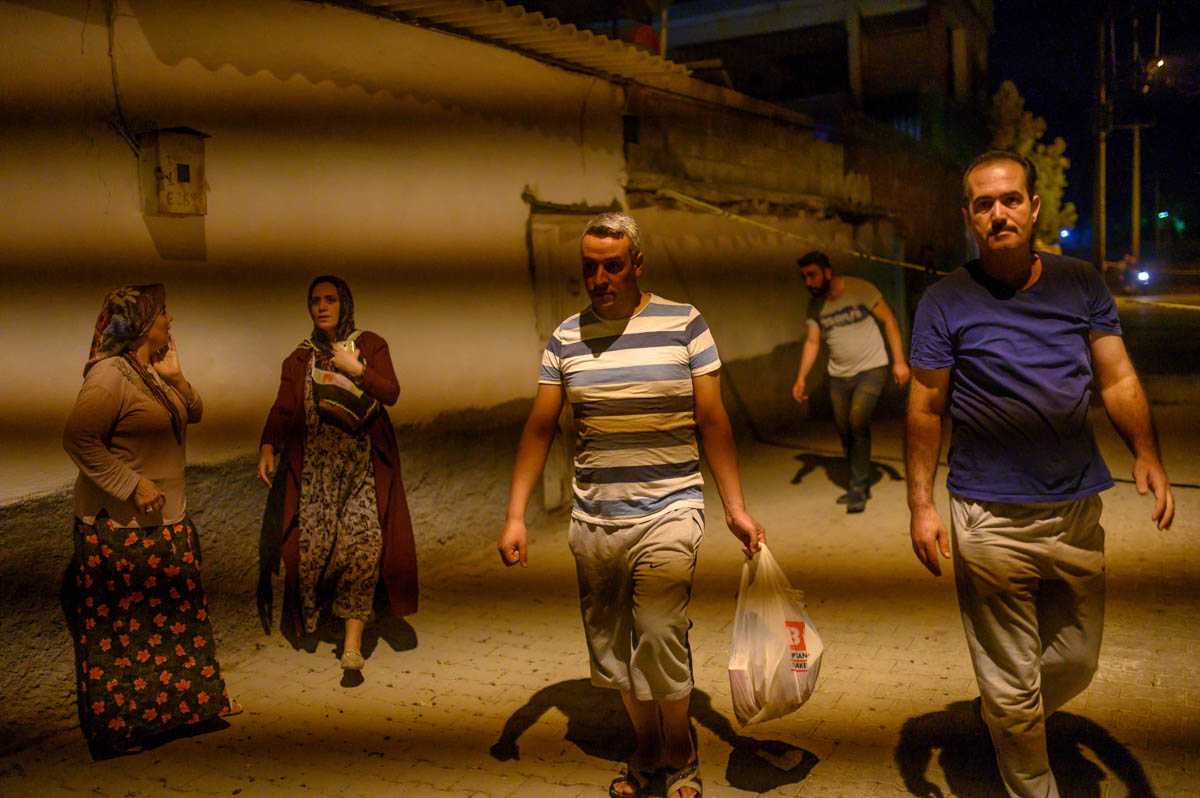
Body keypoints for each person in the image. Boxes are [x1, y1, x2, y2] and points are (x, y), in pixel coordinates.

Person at [906, 150, 1175, 798]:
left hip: (1077, 505)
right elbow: (925, 405)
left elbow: (1118, 377)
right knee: (1012, 680)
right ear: (967, 216)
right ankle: (1025, 761)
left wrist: (1147, 452)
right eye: (983, 203)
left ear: (1033, 206)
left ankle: (1004, 713)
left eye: (1011, 199)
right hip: (988, 515)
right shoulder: (944, 300)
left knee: (1076, 662)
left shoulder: (1079, 283)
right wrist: (919, 503)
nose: (999, 212)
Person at [497, 212, 765, 798]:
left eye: (612, 266)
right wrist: (517, 515)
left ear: (637, 264)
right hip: (596, 517)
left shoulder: (685, 324)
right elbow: (541, 426)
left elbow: (712, 418)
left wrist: (734, 507)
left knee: (660, 625)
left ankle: (679, 745)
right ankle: (646, 744)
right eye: (590, 267)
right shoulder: (566, 338)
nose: (600, 278)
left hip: (672, 507)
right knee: (613, 647)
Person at [63, 284, 237, 756]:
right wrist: (131, 484)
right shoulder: (108, 376)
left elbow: (193, 412)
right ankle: (120, 729)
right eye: (163, 313)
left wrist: (177, 379)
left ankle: (177, 714)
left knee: (169, 627)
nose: (171, 319)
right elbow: (79, 439)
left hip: (163, 523)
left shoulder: (149, 371)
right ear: (141, 324)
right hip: (119, 527)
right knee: (125, 631)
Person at [257, 275, 417, 672]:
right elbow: (283, 408)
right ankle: (328, 618)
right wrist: (267, 445)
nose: (323, 307)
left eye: (331, 300)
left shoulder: (370, 345)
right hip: (315, 475)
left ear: (345, 303)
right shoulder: (299, 358)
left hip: (362, 468)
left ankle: (352, 644)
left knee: (363, 546)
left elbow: (392, 393)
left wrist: (358, 369)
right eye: (316, 301)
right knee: (314, 553)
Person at [791, 251, 910, 512]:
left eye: (812, 275)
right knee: (844, 428)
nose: (808, 282)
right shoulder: (816, 305)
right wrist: (801, 378)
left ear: (827, 272)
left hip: (872, 368)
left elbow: (889, 321)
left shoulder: (859, 289)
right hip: (838, 374)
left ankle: (857, 488)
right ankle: (859, 477)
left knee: (857, 420)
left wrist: (899, 361)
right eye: (804, 277)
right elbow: (812, 342)